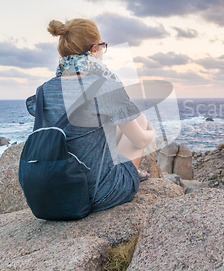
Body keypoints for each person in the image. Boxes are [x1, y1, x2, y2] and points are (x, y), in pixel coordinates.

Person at [25, 18, 156, 212]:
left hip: (51, 194)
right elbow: (139, 140)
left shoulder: (43, 90)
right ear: (94, 49)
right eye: (103, 46)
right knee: (141, 122)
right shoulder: (105, 86)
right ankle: (130, 173)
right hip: (97, 195)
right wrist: (151, 132)